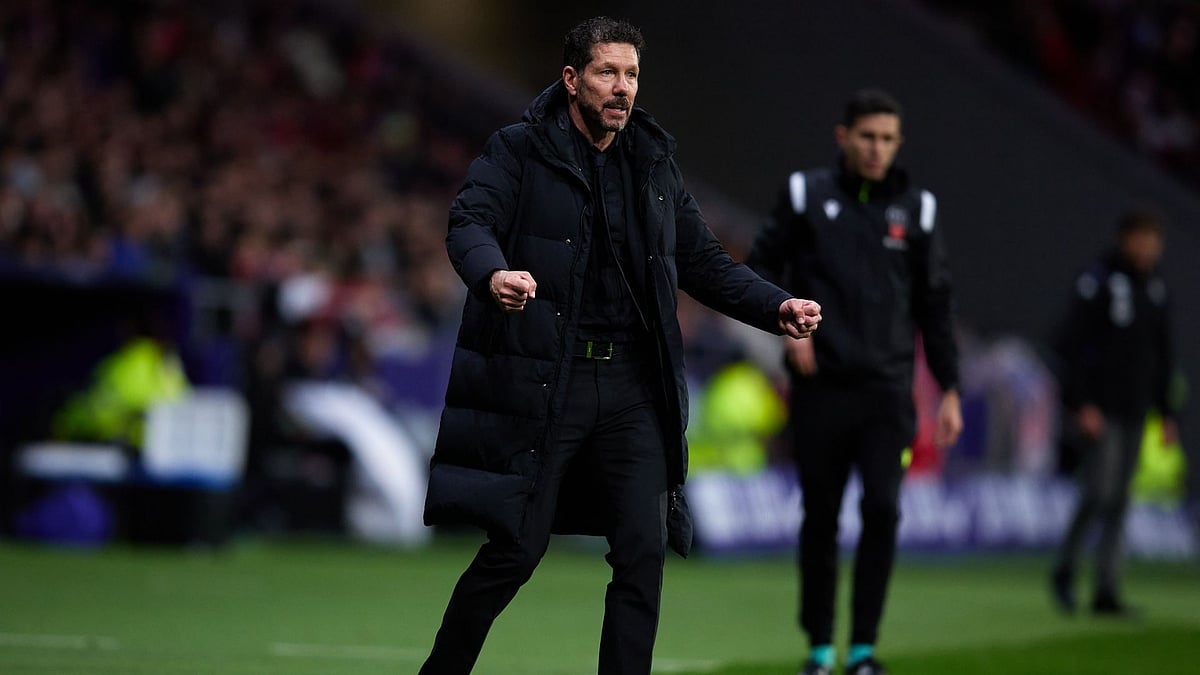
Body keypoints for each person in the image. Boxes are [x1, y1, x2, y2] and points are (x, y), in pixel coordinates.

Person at [419, 16, 822, 675]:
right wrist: (494, 273)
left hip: (635, 387)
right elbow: (470, 219)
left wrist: (775, 305)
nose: (622, 87)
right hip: (553, 379)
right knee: (516, 549)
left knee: (642, 549)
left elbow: (704, 263)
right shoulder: (518, 149)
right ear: (572, 80)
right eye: (607, 72)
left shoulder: (653, 163)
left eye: (631, 75)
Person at [747, 89, 962, 675]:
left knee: (884, 510)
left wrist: (948, 388)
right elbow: (759, 268)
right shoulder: (805, 195)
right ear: (843, 137)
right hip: (822, 390)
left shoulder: (918, 210)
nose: (878, 149)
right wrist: (789, 323)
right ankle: (819, 649)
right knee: (820, 518)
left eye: (888, 139)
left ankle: (863, 649)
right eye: (868, 136)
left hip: (888, 391)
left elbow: (934, 304)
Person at [1050, 208, 1178, 617]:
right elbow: (1070, 343)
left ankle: (1107, 589)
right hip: (1100, 408)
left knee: (1121, 499)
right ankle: (1066, 569)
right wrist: (1082, 402)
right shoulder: (1099, 280)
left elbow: (1162, 353)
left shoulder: (1155, 287)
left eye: (1154, 240)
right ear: (1125, 238)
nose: (1148, 248)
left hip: (1136, 408)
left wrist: (1167, 410)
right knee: (1100, 491)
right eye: (1142, 238)